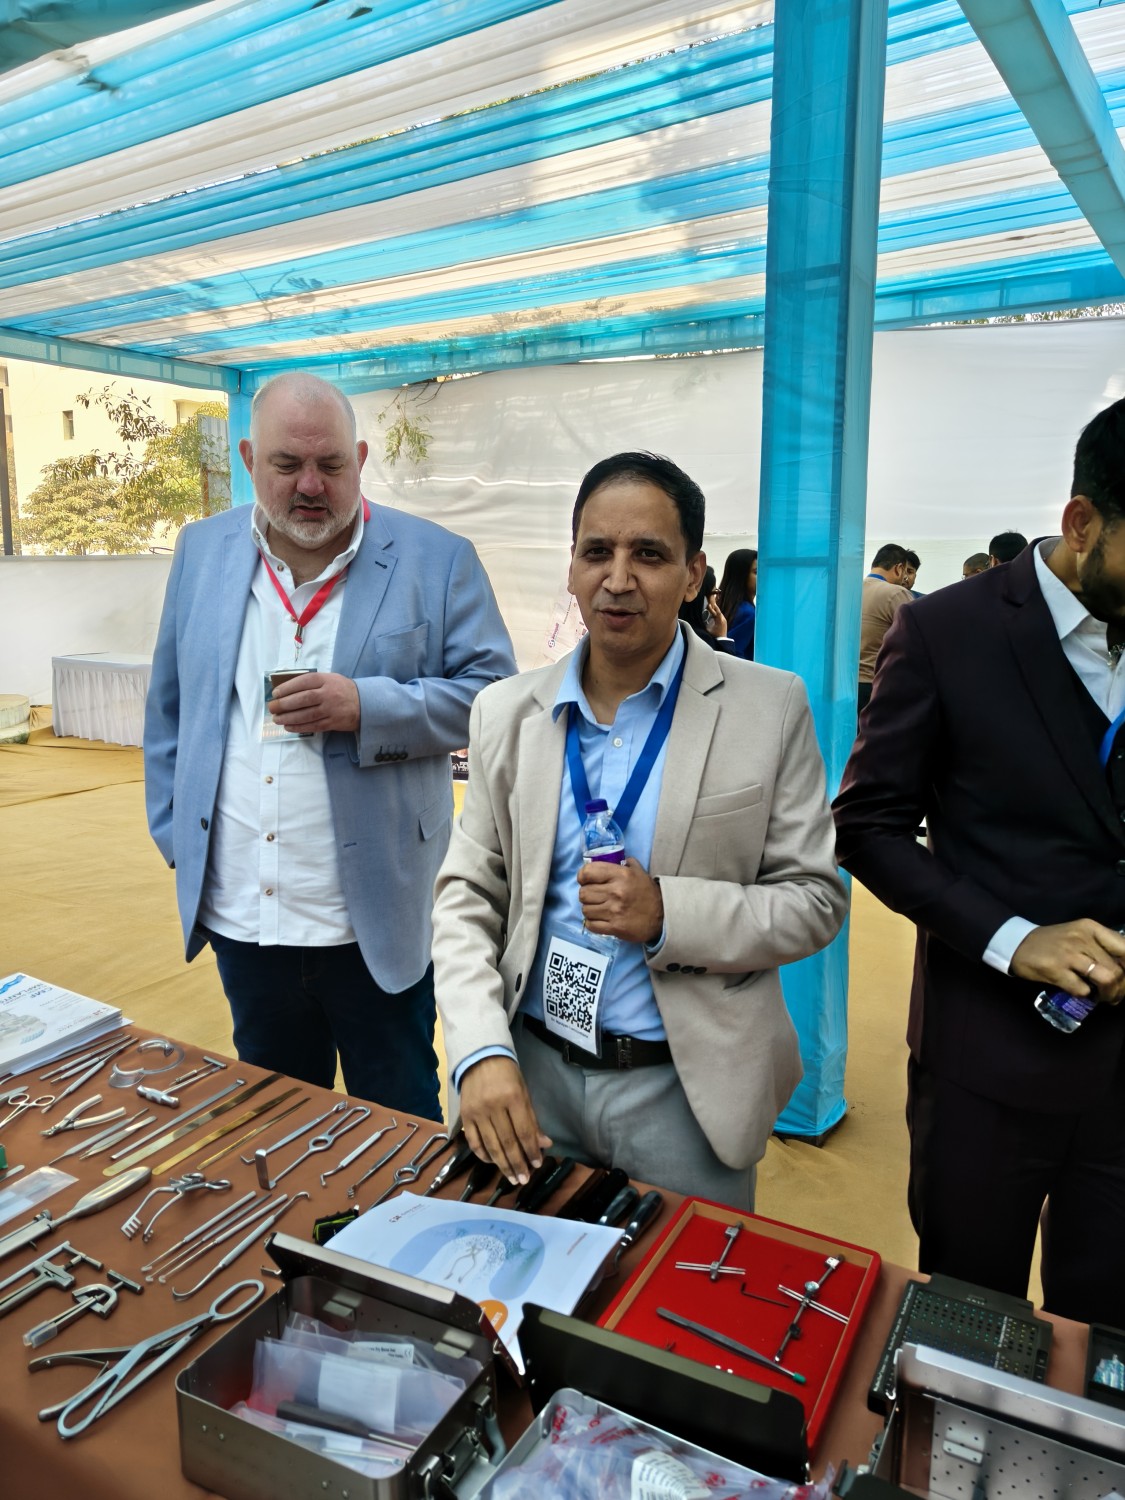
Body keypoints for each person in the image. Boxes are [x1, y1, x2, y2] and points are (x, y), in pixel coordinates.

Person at [432, 452, 846, 1210]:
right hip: (532, 1082)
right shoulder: (505, 714)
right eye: (597, 551)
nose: (617, 579)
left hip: (685, 1094)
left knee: (678, 1287)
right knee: (519, 1275)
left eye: (648, 554)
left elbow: (814, 900)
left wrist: (667, 913)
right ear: (571, 567)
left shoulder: (767, 708)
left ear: (693, 575)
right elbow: (466, 899)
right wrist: (480, 1050)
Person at [144, 371, 516, 1119]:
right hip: (246, 915)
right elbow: (171, 706)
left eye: (331, 465)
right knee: (277, 1122)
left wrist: (366, 706)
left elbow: (494, 697)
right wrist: (178, 835)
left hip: (376, 919)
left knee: (399, 1125)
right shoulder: (202, 550)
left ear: (362, 458)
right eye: (287, 465)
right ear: (250, 460)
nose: (310, 486)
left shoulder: (436, 559)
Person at [833, 397, 1125, 1328]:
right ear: (1081, 522)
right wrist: (1013, 939)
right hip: (984, 1068)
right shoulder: (946, 632)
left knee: (1105, 1339)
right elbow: (867, 826)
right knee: (968, 1322)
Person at [858, 544, 914, 713]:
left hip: (847, 684)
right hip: (876, 685)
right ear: (898, 568)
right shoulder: (896, 593)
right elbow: (916, 638)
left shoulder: (852, 589)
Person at [678, 564, 731, 651]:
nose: (716, 599)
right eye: (715, 593)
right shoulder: (703, 640)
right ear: (703, 598)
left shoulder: (674, 630)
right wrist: (722, 637)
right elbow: (725, 660)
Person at [717, 548, 757, 659]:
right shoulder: (748, 613)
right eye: (756, 572)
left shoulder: (724, 605)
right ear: (741, 575)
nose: (763, 576)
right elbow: (735, 654)